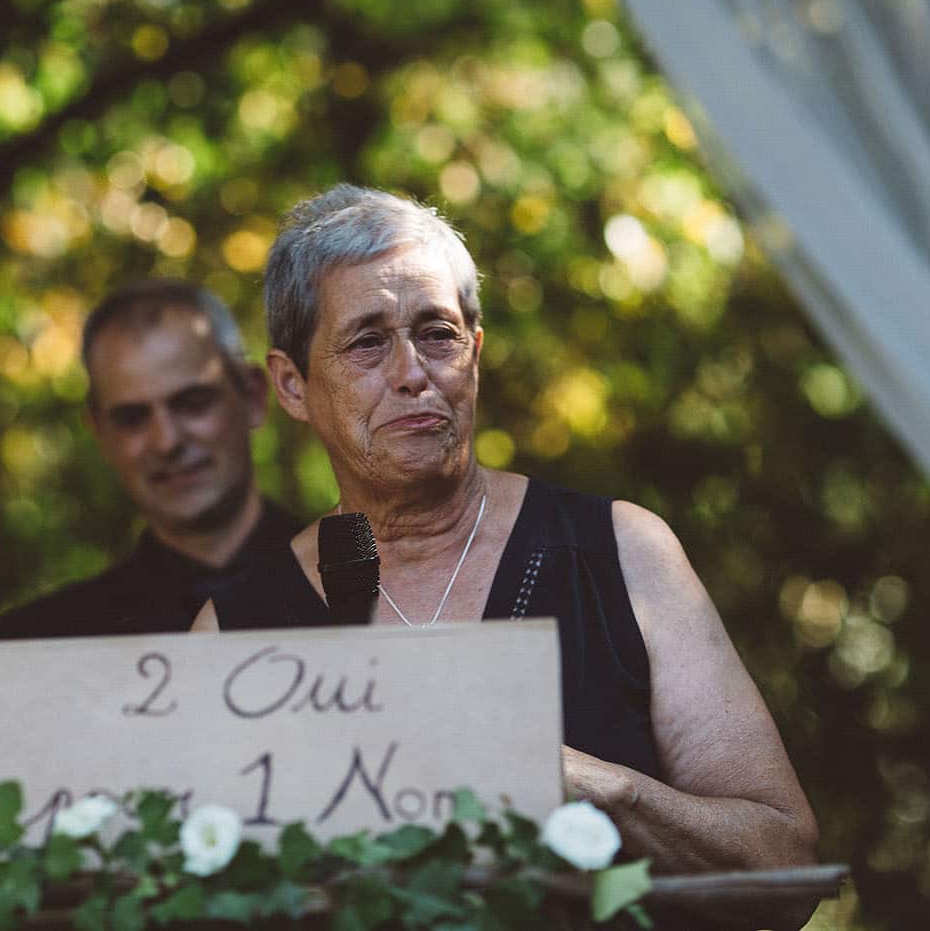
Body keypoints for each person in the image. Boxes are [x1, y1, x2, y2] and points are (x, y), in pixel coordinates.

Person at [193, 186, 819, 928]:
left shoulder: (619, 553)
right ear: (292, 385)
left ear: (476, 353)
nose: (411, 372)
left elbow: (789, 865)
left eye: (437, 333)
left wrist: (593, 789)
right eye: (367, 342)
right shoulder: (237, 631)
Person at [0, 280, 300, 638]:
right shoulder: (41, 641)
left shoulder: (372, 592)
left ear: (252, 397)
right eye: (132, 418)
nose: (167, 441)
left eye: (192, 403)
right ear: (101, 433)